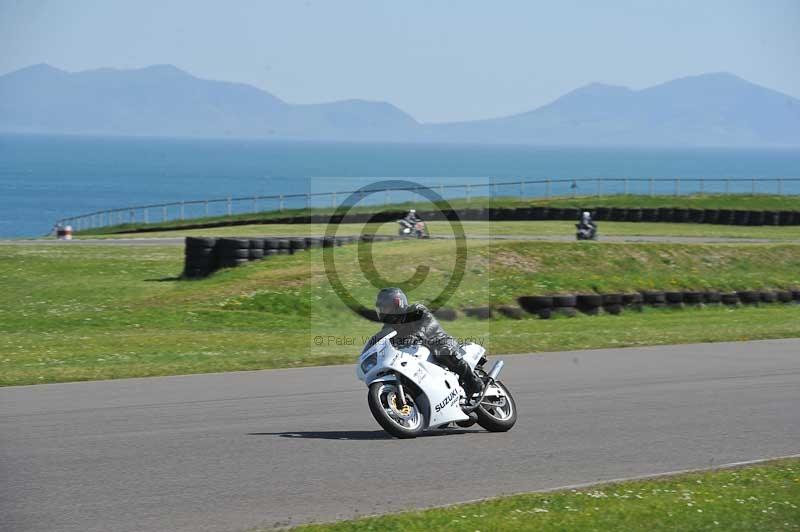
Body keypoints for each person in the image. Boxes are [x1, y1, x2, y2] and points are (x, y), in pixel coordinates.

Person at [371, 287, 485, 398]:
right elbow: (384, 341)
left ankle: (473, 382)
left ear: (397, 303)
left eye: (386, 307)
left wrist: (417, 335)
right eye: (381, 308)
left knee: (444, 352)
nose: (383, 311)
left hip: (438, 341)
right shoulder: (389, 327)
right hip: (416, 353)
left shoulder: (416, 309)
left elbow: (428, 324)